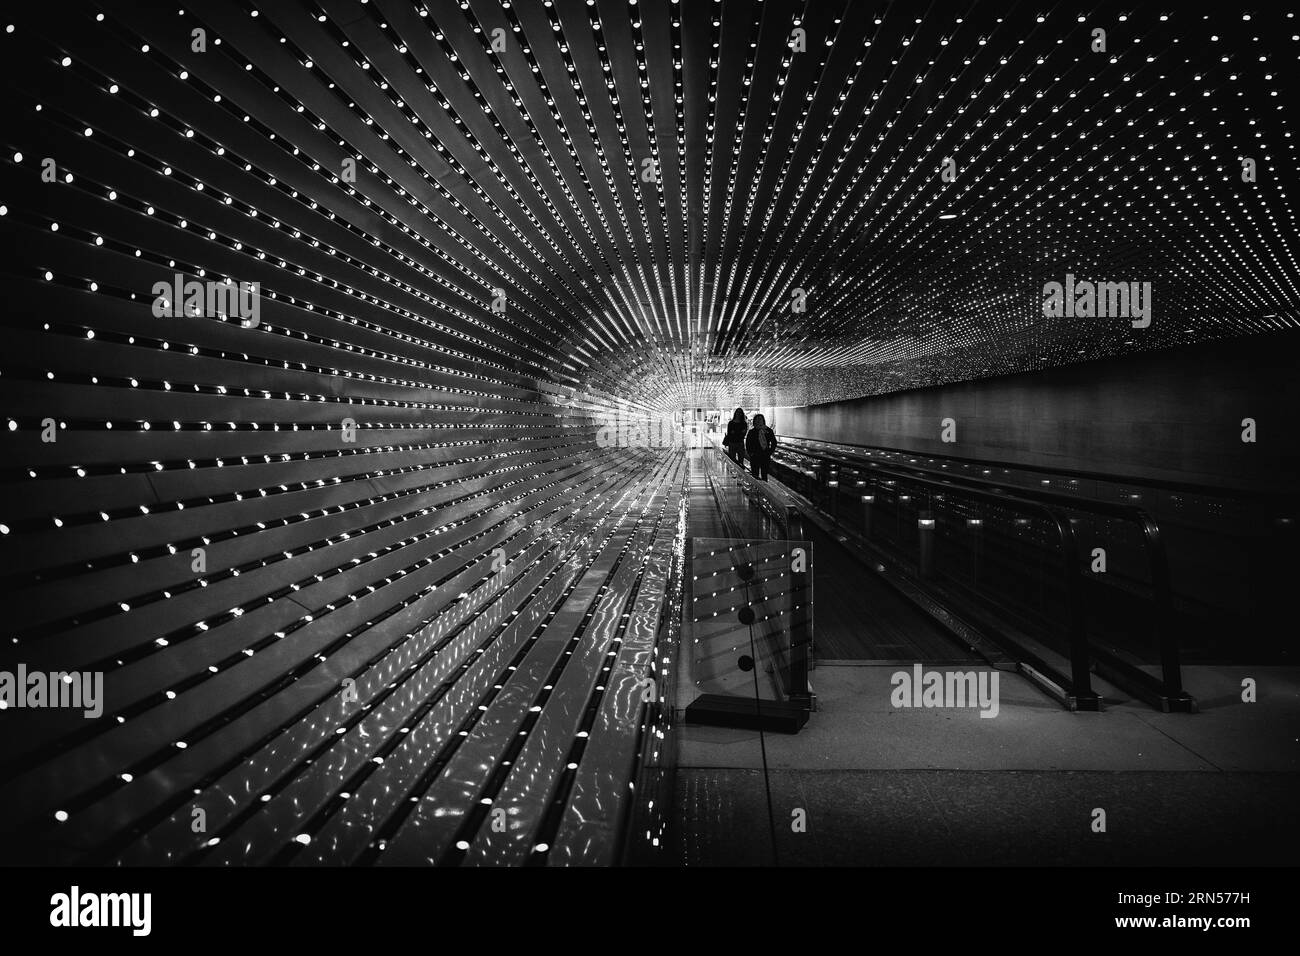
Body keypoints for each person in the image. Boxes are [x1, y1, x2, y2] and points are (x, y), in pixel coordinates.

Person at [745, 413, 777, 481]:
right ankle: (755, 489)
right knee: (754, 474)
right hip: (755, 456)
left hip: (765, 455)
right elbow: (748, 443)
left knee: (764, 474)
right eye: (757, 419)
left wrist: (770, 452)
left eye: (760, 419)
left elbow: (774, 442)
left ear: (763, 420)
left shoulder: (768, 430)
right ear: (754, 421)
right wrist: (750, 453)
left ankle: (764, 490)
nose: (759, 421)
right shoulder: (752, 432)